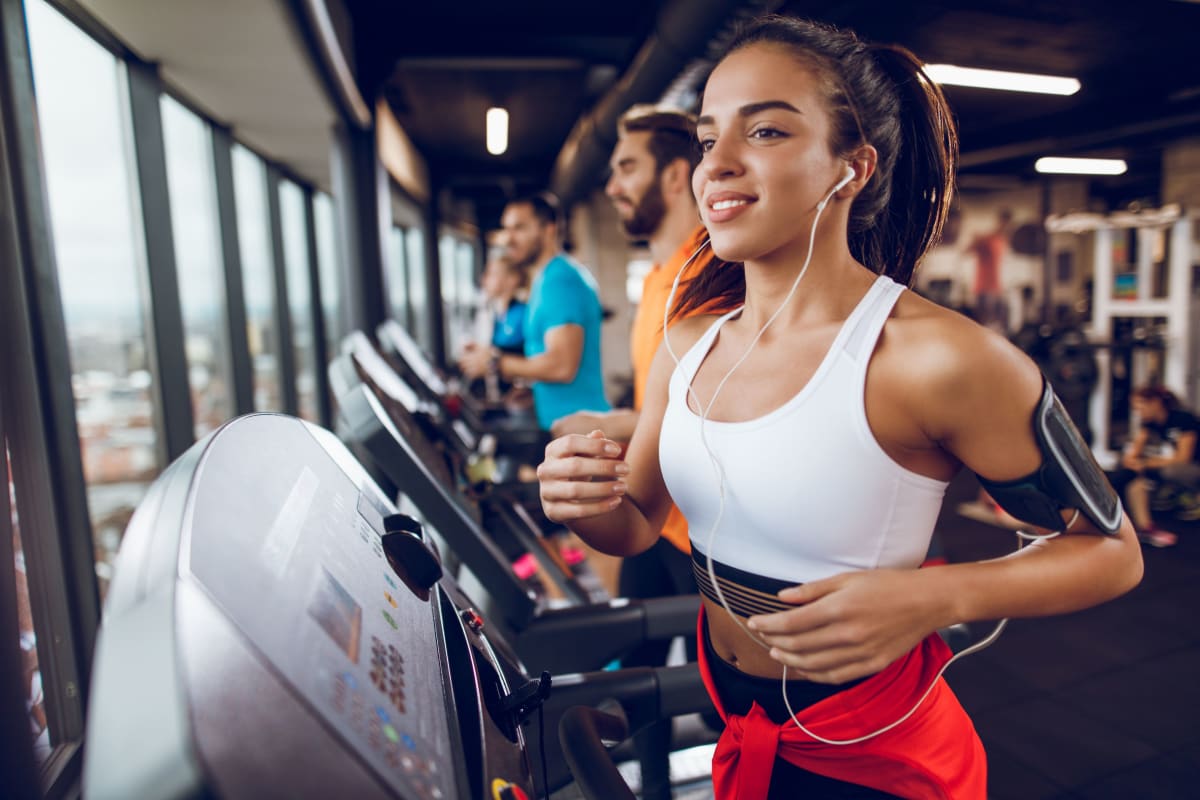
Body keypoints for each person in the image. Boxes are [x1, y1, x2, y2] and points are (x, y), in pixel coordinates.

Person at [537, 15, 1142, 799]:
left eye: (765, 131)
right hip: (741, 718)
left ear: (849, 168)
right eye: (706, 136)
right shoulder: (687, 343)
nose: (715, 165)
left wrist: (936, 596)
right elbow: (638, 523)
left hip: (876, 753)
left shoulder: (937, 359)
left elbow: (1111, 550)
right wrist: (583, 502)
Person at [553, 104, 721, 800]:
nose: (615, 185)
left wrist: (605, 419)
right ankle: (652, 788)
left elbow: (708, 404)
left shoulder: (710, 273)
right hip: (656, 516)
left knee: (722, 700)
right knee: (638, 676)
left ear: (675, 173)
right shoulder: (656, 278)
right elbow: (664, 407)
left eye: (627, 168)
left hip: (704, 533)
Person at [459, 193, 610, 431]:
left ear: (549, 230)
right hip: (563, 424)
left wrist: (494, 363)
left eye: (519, 228)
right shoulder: (544, 280)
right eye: (506, 229)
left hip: (581, 429)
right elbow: (549, 358)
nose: (508, 239)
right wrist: (534, 389)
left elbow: (562, 366)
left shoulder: (559, 280)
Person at [1107, 385, 1200, 547]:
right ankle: (1146, 528)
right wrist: (1131, 461)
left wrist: (1144, 463)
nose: (1138, 411)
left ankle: (1188, 495)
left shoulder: (1184, 419)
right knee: (1133, 473)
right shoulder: (1149, 423)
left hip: (1193, 467)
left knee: (1168, 470)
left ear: (1155, 403)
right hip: (1178, 465)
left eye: (1141, 405)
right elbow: (1134, 451)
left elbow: (1183, 458)